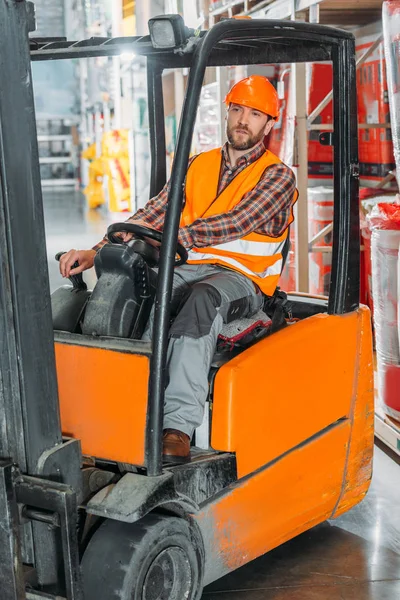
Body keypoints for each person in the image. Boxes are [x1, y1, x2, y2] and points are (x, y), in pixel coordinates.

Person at [59, 75, 297, 463]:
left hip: (243, 281)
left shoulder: (277, 176)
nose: (243, 120)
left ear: (269, 124)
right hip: (189, 263)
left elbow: (236, 222)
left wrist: (173, 238)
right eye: (237, 110)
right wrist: (98, 247)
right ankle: (127, 407)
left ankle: (177, 428)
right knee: (143, 290)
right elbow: (155, 211)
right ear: (227, 112)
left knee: (201, 302)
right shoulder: (198, 164)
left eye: (255, 114)